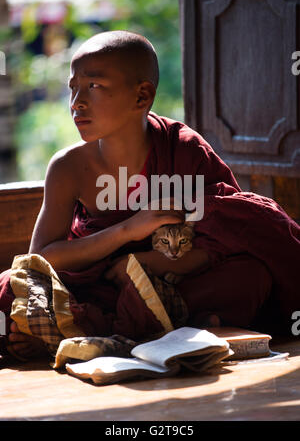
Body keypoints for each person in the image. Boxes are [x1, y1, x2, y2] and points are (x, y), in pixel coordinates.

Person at [1, 30, 299, 360]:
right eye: (73, 88)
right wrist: (127, 231)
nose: (77, 102)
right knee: (8, 288)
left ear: (142, 96)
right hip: (96, 288)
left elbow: (229, 232)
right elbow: (41, 258)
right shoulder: (69, 167)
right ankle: (162, 331)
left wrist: (149, 263)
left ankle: (75, 335)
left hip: (170, 282)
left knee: (249, 276)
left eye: (94, 86)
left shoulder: (185, 149)